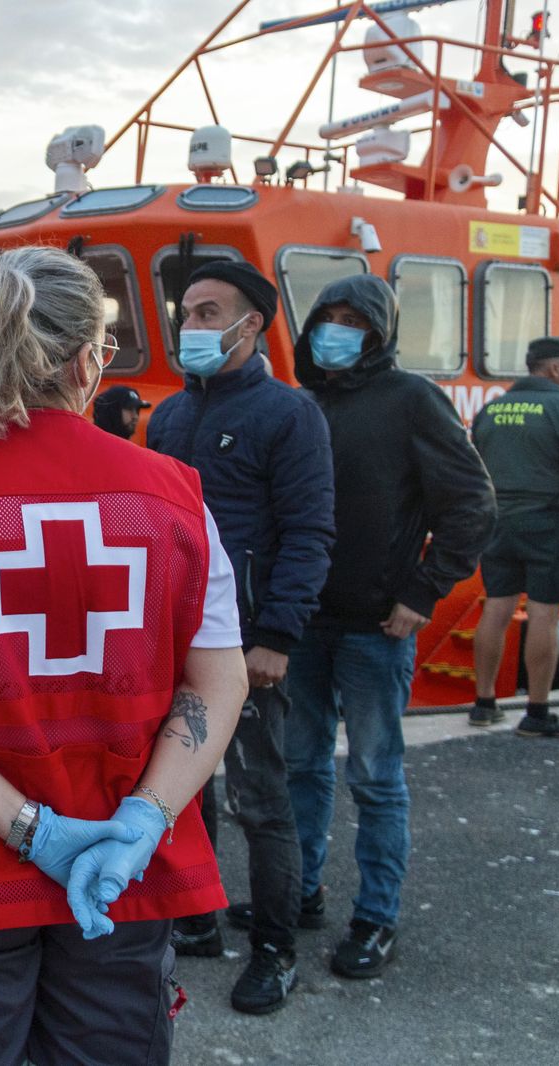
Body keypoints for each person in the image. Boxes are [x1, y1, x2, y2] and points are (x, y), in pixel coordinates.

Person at [0, 247, 247, 1065]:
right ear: (85, 359)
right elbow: (219, 679)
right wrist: (144, 819)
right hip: (121, 872)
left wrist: (30, 832)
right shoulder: (174, 497)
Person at [287, 274, 494, 979]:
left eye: (354, 320)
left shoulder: (412, 401)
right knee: (302, 767)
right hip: (304, 623)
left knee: (376, 776)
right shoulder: (302, 402)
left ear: (380, 333)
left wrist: (423, 591)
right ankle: (301, 890)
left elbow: (471, 504)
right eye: (328, 317)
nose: (337, 330)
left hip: (378, 625)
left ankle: (377, 917)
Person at [146, 261, 335, 1013]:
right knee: (183, 791)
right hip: (174, 642)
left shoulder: (291, 416)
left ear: (250, 324)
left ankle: (274, 949)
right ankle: (195, 918)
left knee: (261, 798)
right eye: (186, 311)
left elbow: (309, 533)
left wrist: (277, 636)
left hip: (247, 643)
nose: (189, 325)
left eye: (206, 311)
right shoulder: (168, 417)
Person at [471, 335, 559, 736]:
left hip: (497, 523)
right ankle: (537, 712)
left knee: (496, 608)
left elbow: (474, 464)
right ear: (554, 368)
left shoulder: (492, 409)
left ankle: (483, 704)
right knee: (543, 615)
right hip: (550, 525)